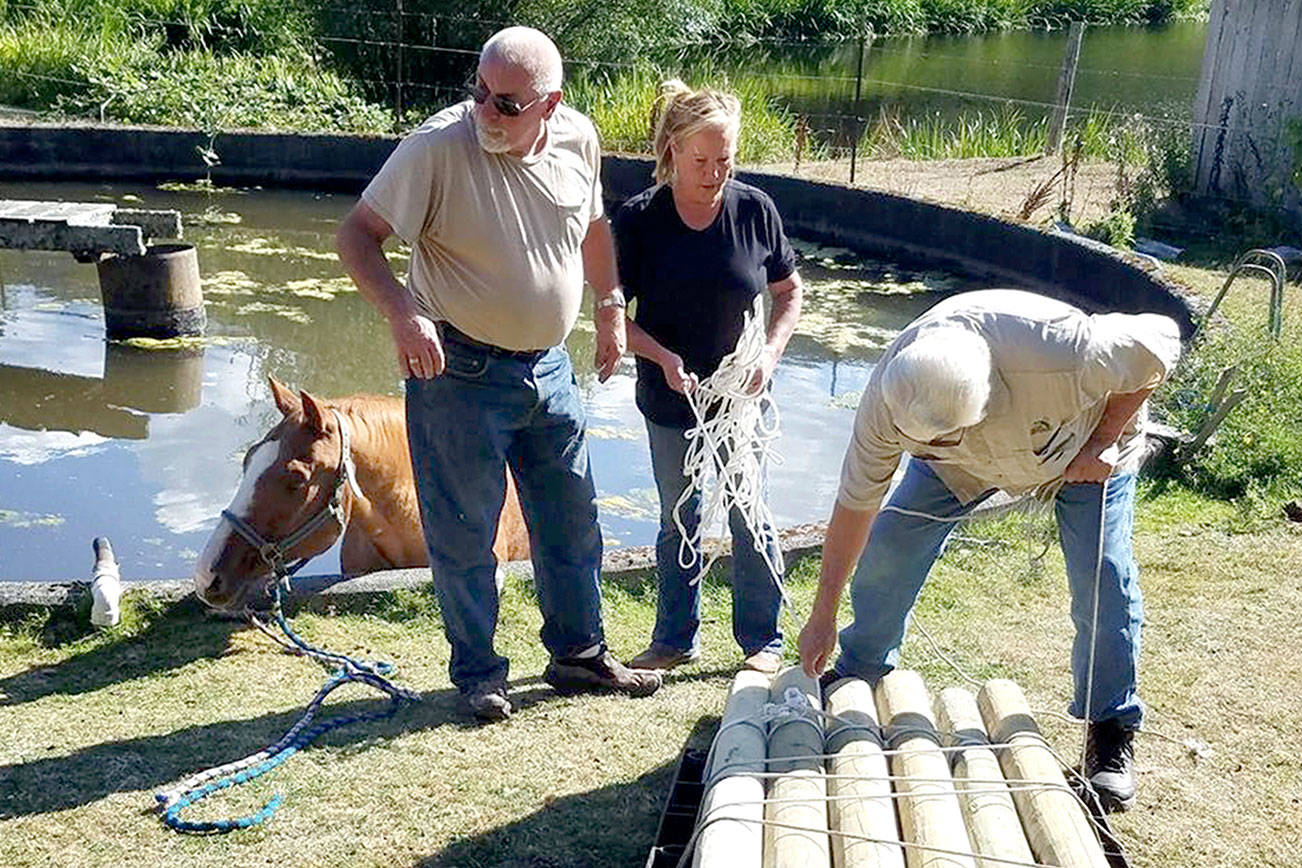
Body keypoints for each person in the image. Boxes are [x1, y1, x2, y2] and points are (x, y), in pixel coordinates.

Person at [336, 26, 660, 722]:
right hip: (457, 370)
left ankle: (579, 657)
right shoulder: (434, 147)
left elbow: (594, 227)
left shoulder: (579, 137)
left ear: (551, 104)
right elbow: (356, 235)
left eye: (508, 103)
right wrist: (400, 313)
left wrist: (608, 307)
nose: (486, 111)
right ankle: (479, 676)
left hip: (550, 371)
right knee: (463, 534)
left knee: (572, 520)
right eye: (479, 92)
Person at [797, 289, 1181, 811]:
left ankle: (1111, 728)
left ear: (980, 405)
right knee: (890, 545)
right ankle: (860, 667)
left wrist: (1104, 439)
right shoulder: (894, 393)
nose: (923, 454)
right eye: (917, 446)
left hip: (1084, 452)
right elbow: (856, 504)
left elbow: (1160, 343)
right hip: (970, 462)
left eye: (938, 443)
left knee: (1103, 581)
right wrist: (822, 613)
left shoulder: (1065, 352)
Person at [613, 81, 804, 676]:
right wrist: (662, 357)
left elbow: (789, 290)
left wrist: (769, 354)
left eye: (725, 161)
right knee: (680, 515)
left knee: (753, 515)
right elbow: (613, 315)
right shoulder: (639, 221)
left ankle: (763, 642)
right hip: (671, 399)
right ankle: (674, 638)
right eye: (701, 161)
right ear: (672, 151)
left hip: (740, 400)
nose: (715, 173)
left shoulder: (755, 210)